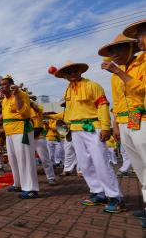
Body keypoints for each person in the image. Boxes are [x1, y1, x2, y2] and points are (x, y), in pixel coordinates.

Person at [49, 61, 123, 213]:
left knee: (101, 162)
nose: (72, 74)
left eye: (74, 71)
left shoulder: (92, 85)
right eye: (68, 73)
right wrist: (67, 130)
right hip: (75, 130)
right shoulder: (68, 91)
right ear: (64, 76)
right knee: (85, 164)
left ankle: (115, 197)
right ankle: (98, 192)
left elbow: (103, 106)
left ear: (80, 71)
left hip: (92, 127)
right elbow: (68, 113)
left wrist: (105, 127)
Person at [100, 25, 146, 224]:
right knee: (140, 167)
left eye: (118, 49)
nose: (114, 55)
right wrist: (116, 124)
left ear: (131, 48)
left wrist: (120, 73)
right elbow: (117, 102)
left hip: (142, 119)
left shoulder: (143, 63)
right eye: (111, 52)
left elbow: (142, 91)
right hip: (125, 122)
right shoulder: (114, 75)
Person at [0, 76, 39, 199]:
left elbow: (24, 113)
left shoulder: (22, 94)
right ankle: (18, 184)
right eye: (0, 85)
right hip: (9, 133)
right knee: (13, 161)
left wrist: (17, 94)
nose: (2, 87)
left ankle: (31, 189)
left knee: (25, 160)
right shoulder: (4, 100)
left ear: (11, 85)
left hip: (21, 131)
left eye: (4, 84)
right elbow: (5, 114)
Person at [30, 99, 57, 186]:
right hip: (28, 137)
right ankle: (31, 180)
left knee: (44, 159)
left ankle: (51, 178)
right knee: (29, 160)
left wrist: (30, 102)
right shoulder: (24, 110)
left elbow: (37, 109)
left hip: (39, 137)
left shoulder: (38, 107)